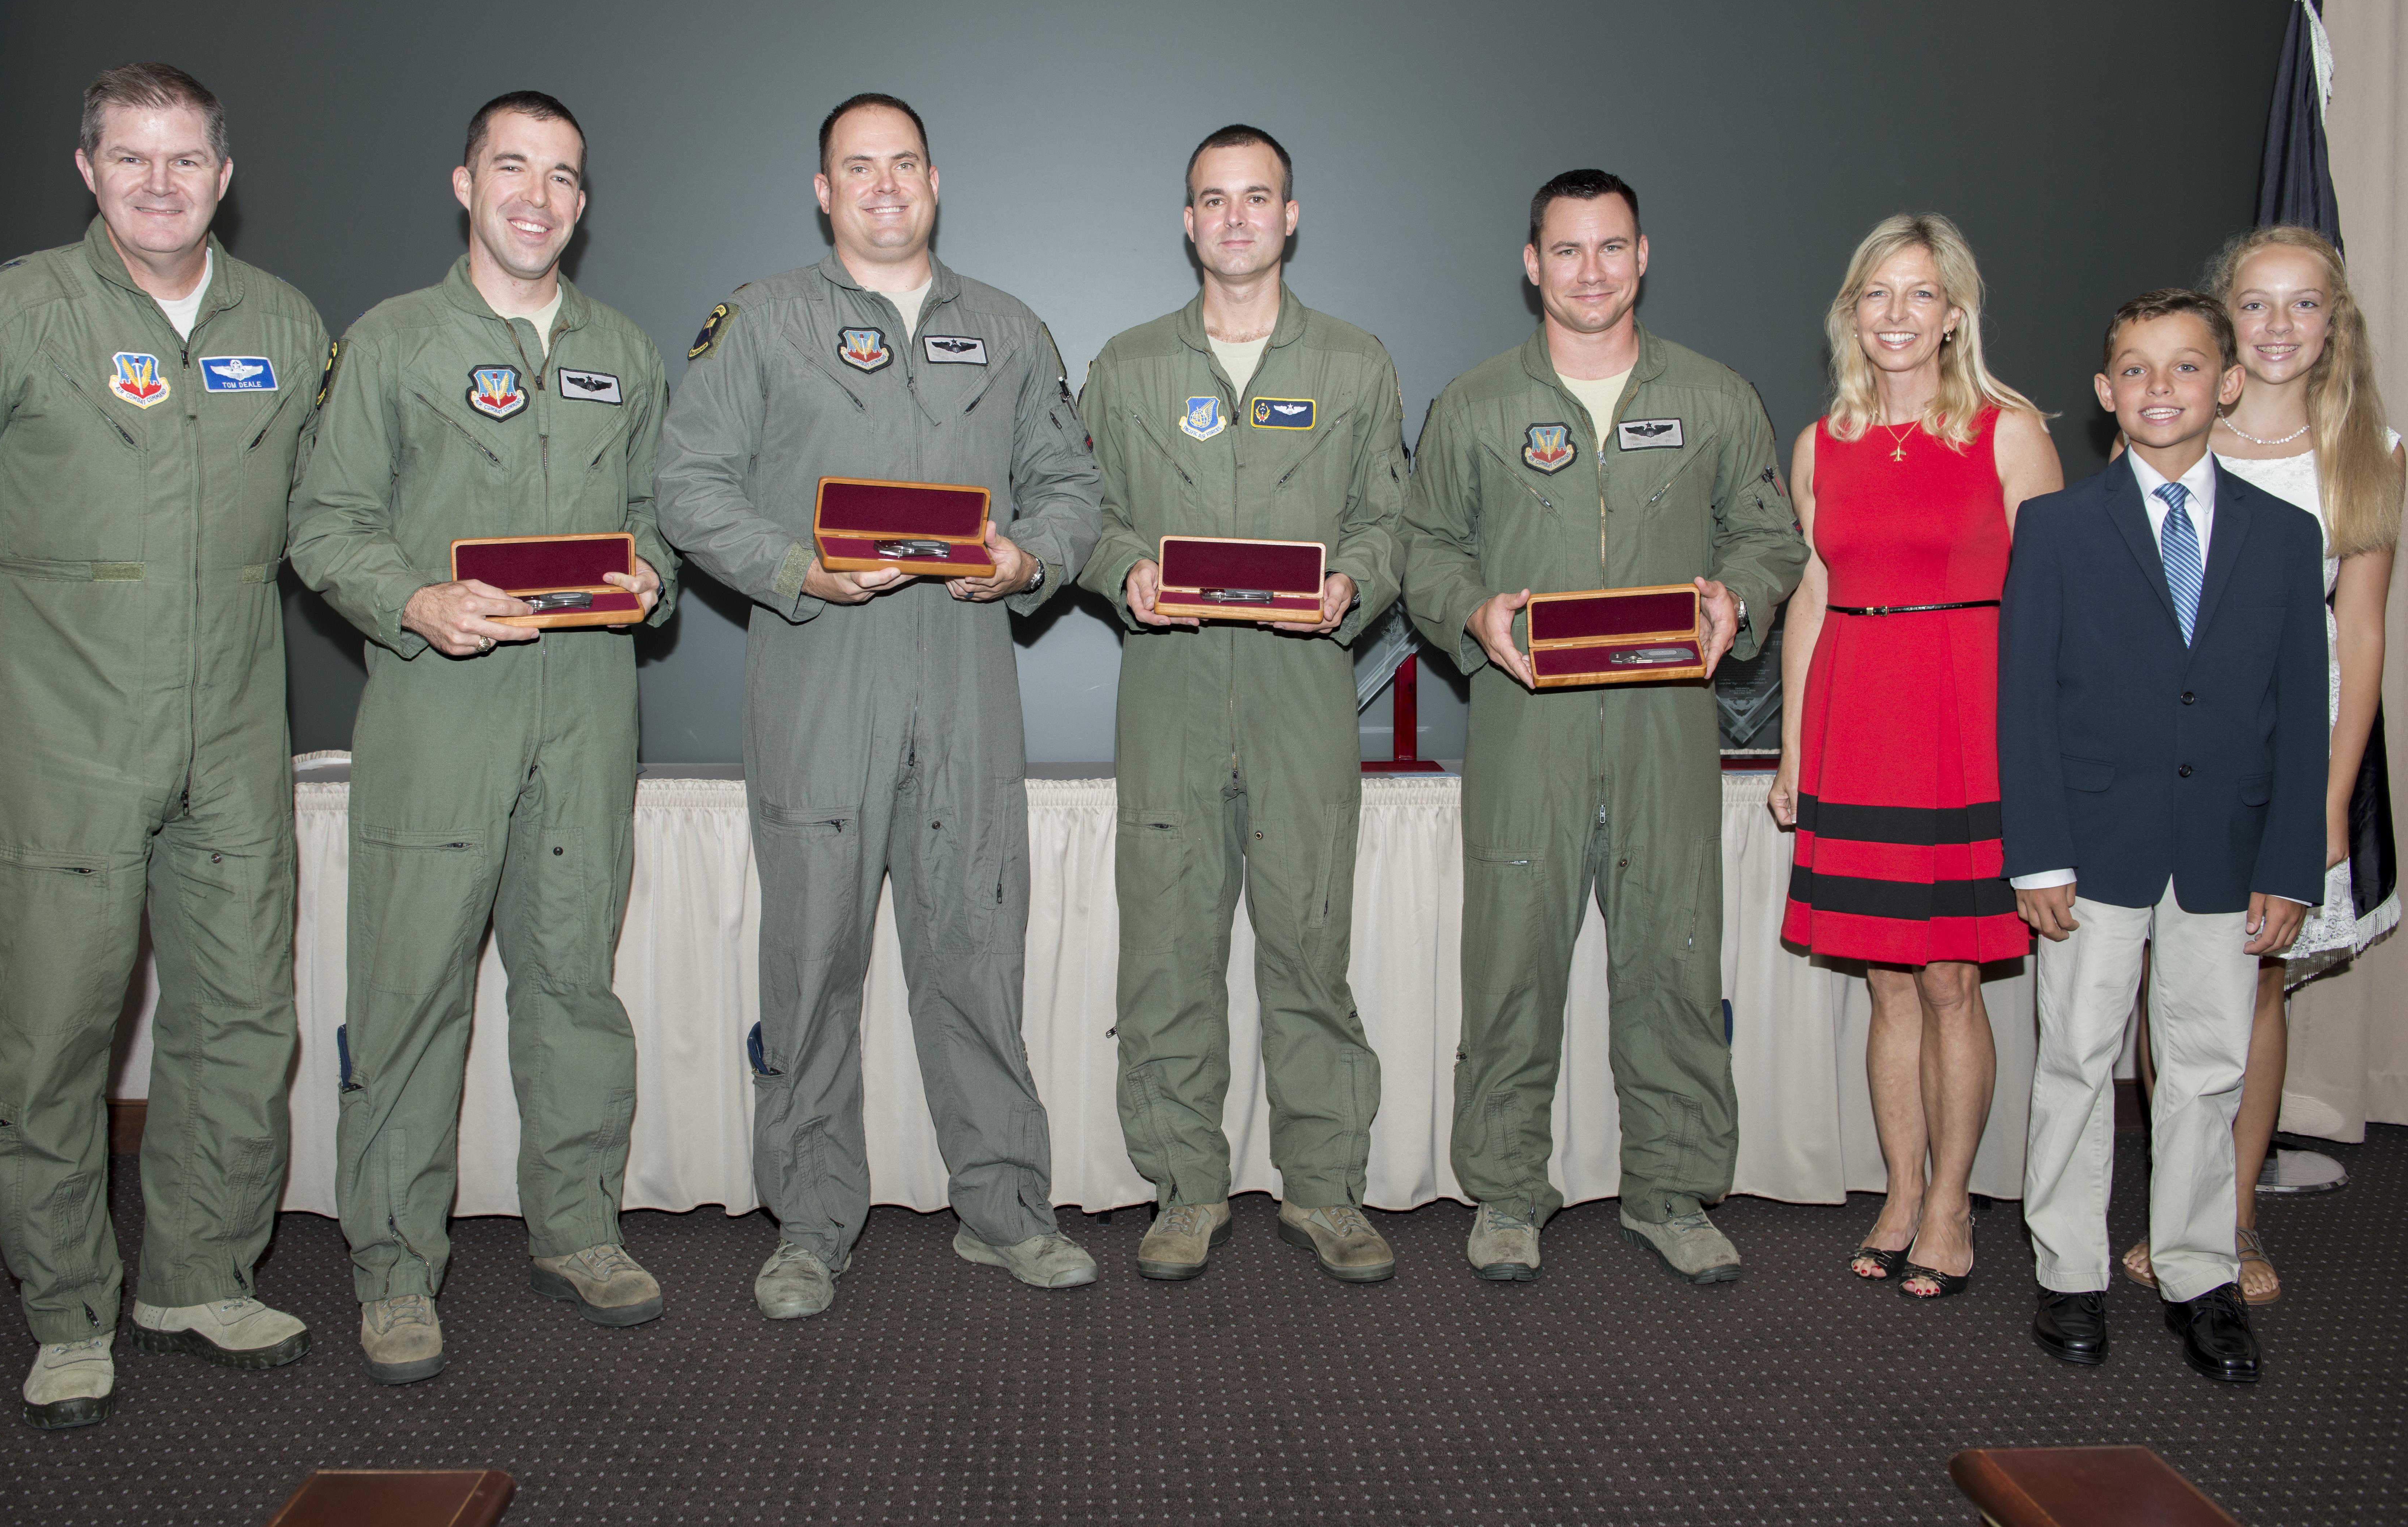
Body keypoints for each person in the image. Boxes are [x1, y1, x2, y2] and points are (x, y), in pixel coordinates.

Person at [0, 64, 325, 1427]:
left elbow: (313, 512)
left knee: (239, 1018)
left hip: (234, 730)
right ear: (87, 170)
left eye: (185, 158)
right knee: (53, 1033)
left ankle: (198, 1277)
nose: (159, 183)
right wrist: (52, 625)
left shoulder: (285, 322)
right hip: (65, 737)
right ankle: (69, 1310)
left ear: (224, 177)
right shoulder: (10, 314)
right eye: (130, 157)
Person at [656, 93, 1104, 1319]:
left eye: (904, 163)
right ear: (823, 191)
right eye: (858, 167)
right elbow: (688, 487)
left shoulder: (1007, 328)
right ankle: (809, 1224)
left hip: (964, 682)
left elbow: (1071, 485)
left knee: (977, 955)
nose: (885, 186)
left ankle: (1005, 1209)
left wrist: (1029, 560)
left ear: (935, 181)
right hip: (819, 678)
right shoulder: (759, 321)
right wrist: (791, 567)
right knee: (810, 966)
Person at [287, 92, 677, 1384]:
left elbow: (654, 521)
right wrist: (414, 600)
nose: (536, 196)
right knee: (408, 999)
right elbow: (323, 525)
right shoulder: (392, 341)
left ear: (583, 202)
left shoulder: (625, 350)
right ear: (464, 185)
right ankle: (395, 1270)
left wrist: (653, 576)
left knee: (575, 991)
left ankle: (578, 1231)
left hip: (586, 718)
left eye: (562, 176)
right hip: (438, 716)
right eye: (513, 167)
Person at [1400, 169, 1807, 1284]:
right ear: (1532, 264)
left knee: (1673, 954)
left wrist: (1737, 599)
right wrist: (1471, 612)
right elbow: (1424, 548)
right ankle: (1505, 1191)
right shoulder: (1475, 403)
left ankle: (1671, 1190)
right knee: (1509, 963)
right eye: (1568, 250)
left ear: (1643, 257)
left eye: (1612, 247)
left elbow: (1769, 538)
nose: (1591, 271)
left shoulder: (1715, 398)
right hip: (1523, 728)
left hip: (1663, 730)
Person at [1076, 125, 1407, 1283]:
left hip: (1300, 693)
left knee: (1308, 949)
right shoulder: (1127, 367)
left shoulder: (1354, 365)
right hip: (1169, 693)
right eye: (1212, 200)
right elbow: (1081, 514)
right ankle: (1184, 1188)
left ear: (1290, 216)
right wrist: (1122, 570)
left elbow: (1388, 523)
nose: (1234, 219)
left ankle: (1324, 1189)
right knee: (1168, 952)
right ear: (1187, 222)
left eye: (1255, 197)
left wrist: (1354, 581)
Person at [2005, 289, 2325, 1386]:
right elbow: (2024, 704)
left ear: (2226, 384)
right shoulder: (2056, 529)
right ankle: (2069, 1271)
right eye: (2136, 369)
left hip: (2227, 854)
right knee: (2076, 1060)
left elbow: (2304, 714)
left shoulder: (2284, 538)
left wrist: (2289, 865)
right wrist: (2038, 855)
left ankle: (2199, 1273)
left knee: (2205, 1069)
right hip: (2091, 849)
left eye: (2186, 367)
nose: (2160, 387)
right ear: (2106, 393)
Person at [1769, 215, 2061, 1299]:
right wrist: (1795, 751)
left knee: (1948, 980)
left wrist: (2040, 757)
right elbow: (1811, 595)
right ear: (1851, 313)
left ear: (1954, 316)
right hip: (1856, 721)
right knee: (1886, 983)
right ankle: (1899, 1193)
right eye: (1877, 294)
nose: (1897, 314)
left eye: (1920, 293)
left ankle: (1951, 1204)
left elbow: (2054, 608)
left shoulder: (2008, 432)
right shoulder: (1820, 442)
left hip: (1965, 724)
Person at [2115, 226, 2404, 1305]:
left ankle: (2231, 1219)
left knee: (2254, 977)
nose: (2279, 326)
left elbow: (2360, 636)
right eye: (2255, 303)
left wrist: (2327, 801)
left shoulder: (2368, 449)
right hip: (2169, 747)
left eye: (2304, 304)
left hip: (2290, 748)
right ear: (2223, 319)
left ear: (2335, 323)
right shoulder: (2169, 420)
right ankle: (2171, 1210)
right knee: (2170, 975)